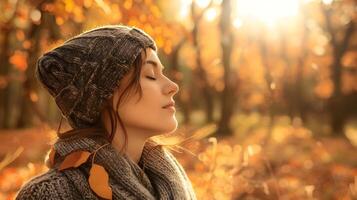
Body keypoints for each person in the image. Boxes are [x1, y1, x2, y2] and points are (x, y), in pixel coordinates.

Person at [15, 25, 197, 200]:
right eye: (150, 75)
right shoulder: (47, 195)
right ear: (104, 93)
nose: (173, 87)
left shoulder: (174, 184)